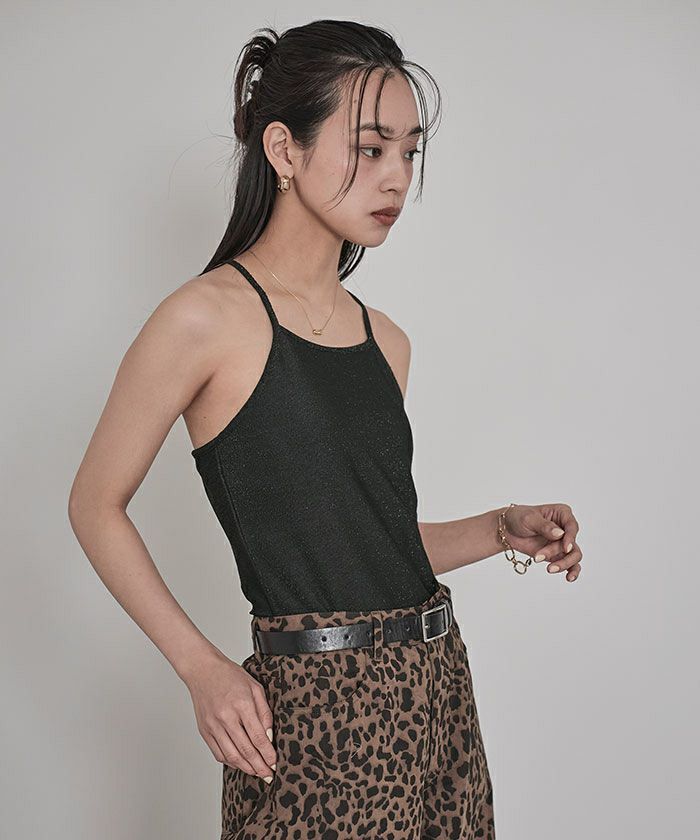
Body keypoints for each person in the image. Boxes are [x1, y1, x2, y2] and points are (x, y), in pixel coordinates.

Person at [68, 18, 582, 839]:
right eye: (370, 148)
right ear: (284, 148)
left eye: (409, 151)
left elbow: (362, 546)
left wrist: (499, 528)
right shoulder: (203, 320)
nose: (396, 177)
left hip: (440, 695)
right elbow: (95, 504)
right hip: (318, 716)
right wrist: (200, 668)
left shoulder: (386, 341)